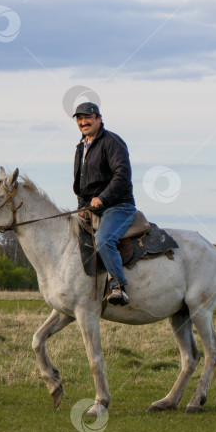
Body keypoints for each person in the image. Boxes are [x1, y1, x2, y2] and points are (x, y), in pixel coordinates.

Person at [72, 102, 137, 306]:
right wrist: (82, 204)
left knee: (103, 241)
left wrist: (103, 198)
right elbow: (80, 183)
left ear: (99, 119)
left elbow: (122, 174)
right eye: (79, 119)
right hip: (93, 209)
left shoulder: (112, 142)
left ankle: (118, 285)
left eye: (88, 118)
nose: (83, 122)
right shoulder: (81, 147)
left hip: (118, 206)